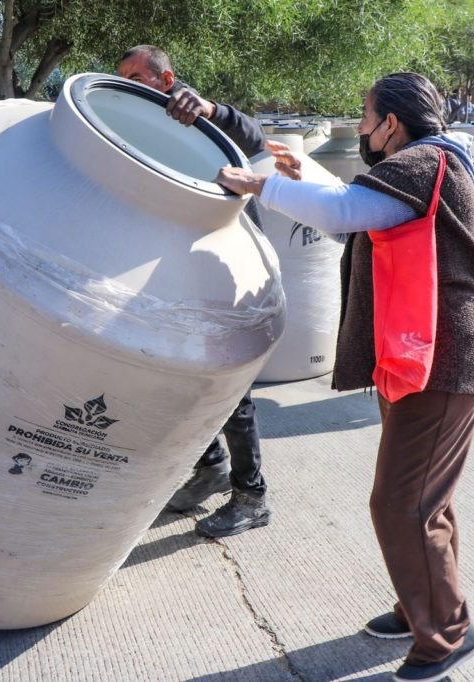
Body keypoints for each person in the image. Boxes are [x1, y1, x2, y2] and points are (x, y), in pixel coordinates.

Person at [216, 72, 474, 682]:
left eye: (366, 117)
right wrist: (297, 175)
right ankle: (428, 606)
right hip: (423, 358)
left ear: (392, 122)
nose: (362, 128)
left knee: (401, 505)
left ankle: (445, 635)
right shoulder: (425, 167)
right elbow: (349, 216)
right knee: (425, 504)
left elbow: (345, 210)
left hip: (441, 363)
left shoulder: (423, 164)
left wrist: (258, 184)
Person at [117, 45, 271, 538]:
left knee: (230, 392)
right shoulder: (139, 132)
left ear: (167, 80)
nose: (129, 84)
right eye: (122, 77)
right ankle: (211, 468)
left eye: (137, 75)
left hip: (227, 276)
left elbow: (255, 140)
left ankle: (252, 496)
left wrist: (209, 110)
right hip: (178, 279)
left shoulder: (203, 122)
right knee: (179, 382)